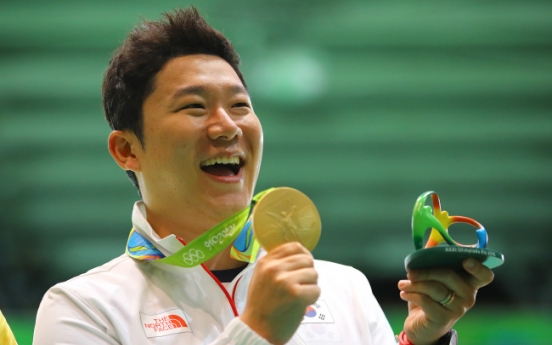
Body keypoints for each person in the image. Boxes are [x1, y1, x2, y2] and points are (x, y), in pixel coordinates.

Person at [33, 7, 493, 345]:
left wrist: (425, 340)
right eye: (194, 107)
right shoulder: (83, 309)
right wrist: (255, 332)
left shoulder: (343, 288)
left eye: (240, 106)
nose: (227, 126)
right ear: (127, 150)